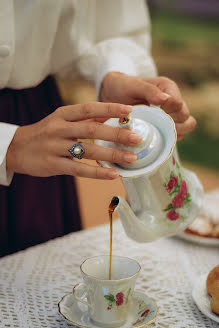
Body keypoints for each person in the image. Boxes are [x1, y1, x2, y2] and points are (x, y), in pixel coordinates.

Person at [0, 0, 196, 257]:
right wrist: (9, 144)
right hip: (29, 141)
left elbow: (111, 20)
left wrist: (113, 74)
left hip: (36, 130)